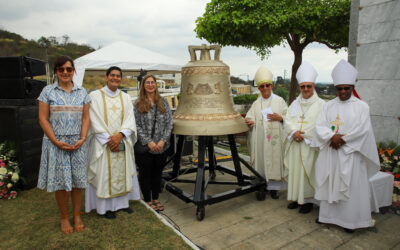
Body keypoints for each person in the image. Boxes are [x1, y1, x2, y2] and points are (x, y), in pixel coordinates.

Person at [312, 59, 380, 233]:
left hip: (351, 154)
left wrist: (342, 140)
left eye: (346, 88)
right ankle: (327, 217)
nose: (342, 92)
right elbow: (319, 126)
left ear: (352, 87)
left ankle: (350, 221)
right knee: (329, 184)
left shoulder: (362, 107)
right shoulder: (328, 106)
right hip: (331, 154)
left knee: (351, 187)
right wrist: (331, 137)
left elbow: (363, 130)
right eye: (339, 88)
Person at [37, 55, 90, 234]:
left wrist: (82, 138)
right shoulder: (47, 92)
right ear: (56, 72)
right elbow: (43, 119)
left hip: (78, 142)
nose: (65, 72)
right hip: (56, 142)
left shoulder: (82, 92)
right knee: (61, 183)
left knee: (77, 182)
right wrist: (55, 141)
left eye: (69, 69)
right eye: (61, 69)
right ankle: (64, 217)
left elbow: (85, 118)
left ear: (74, 70)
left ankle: (76, 215)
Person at [85, 66, 140, 219]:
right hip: (103, 143)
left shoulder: (126, 97)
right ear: (106, 77)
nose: (115, 78)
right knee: (104, 175)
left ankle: (122, 204)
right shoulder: (95, 96)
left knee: (122, 173)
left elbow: (130, 119)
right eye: (112, 75)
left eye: (118, 76)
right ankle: (106, 208)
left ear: (120, 79)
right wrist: (109, 140)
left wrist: (121, 135)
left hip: (121, 141)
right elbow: (94, 119)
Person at [283, 62, 325, 213]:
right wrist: (293, 132)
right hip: (295, 144)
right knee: (295, 171)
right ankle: (295, 197)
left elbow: (320, 124)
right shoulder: (295, 103)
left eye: (309, 86)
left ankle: (307, 201)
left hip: (309, 145)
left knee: (308, 172)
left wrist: (304, 135)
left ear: (313, 86)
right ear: (300, 87)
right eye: (303, 86)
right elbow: (287, 119)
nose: (306, 89)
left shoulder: (321, 105)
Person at [245, 66, 287, 199]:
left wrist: (280, 118)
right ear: (259, 88)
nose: (265, 88)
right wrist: (251, 122)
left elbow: (289, 118)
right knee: (262, 162)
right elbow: (249, 116)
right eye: (262, 86)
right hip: (261, 140)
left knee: (274, 161)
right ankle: (262, 186)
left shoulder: (280, 101)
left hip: (275, 140)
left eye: (267, 85)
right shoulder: (256, 103)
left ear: (272, 86)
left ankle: (274, 188)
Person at [134, 74, 173, 211]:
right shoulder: (137, 103)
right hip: (145, 148)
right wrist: (149, 142)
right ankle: (147, 199)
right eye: (147, 83)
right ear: (143, 86)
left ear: (156, 85)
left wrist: (163, 141)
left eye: (152, 82)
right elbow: (136, 125)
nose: (150, 85)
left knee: (157, 173)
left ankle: (155, 198)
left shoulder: (163, 102)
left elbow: (169, 123)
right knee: (145, 174)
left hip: (162, 147)